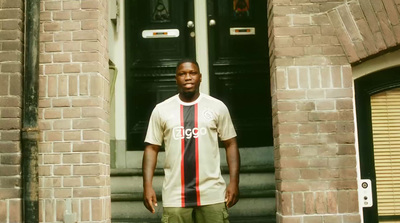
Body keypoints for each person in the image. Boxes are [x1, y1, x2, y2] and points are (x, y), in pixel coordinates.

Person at [142, 59, 240, 223]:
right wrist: (147, 186)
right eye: (182, 74)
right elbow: (151, 148)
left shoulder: (217, 107)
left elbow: (231, 144)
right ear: (176, 78)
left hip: (212, 194)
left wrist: (234, 182)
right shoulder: (162, 109)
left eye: (192, 73)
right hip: (175, 195)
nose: (188, 77)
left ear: (200, 77)